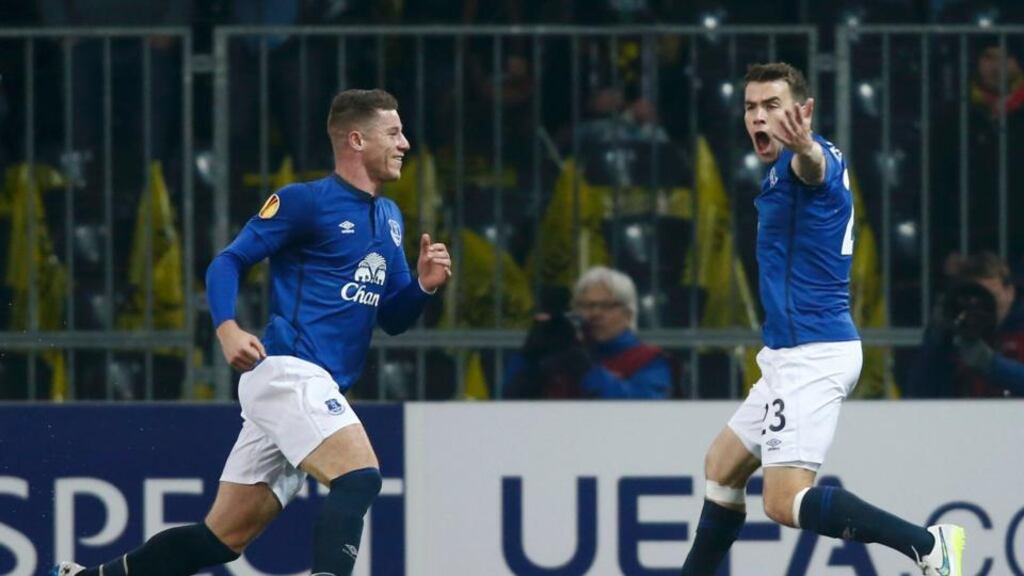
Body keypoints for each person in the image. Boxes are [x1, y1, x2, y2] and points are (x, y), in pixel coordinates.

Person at [52, 89, 451, 576]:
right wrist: (226, 328)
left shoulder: (389, 219)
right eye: (393, 132)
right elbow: (229, 260)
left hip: (311, 387)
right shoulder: (304, 202)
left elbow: (391, 319)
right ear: (355, 139)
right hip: (291, 373)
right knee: (360, 478)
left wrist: (424, 289)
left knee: (220, 540)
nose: (405, 143)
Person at [678, 63, 964, 576]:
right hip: (791, 353)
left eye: (772, 106)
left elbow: (813, 166)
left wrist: (804, 147)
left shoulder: (810, 160)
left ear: (800, 111)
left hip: (813, 353)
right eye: (751, 107)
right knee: (721, 466)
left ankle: (928, 544)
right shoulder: (777, 168)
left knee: (783, 501)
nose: (759, 117)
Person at [505, 266, 673, 399]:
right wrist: (530, 359)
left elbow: (645, 410)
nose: (595, 314)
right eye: (586, 306)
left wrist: (589, 371)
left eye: (607, 306)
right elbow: (507, 405)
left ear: (628, 314)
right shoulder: (561, 355)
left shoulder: (649, 360)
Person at [908, 251, 1024, 398]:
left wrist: (992, 365)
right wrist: (936, 338)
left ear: (1010, 293)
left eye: (992, 296)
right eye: (977, 298)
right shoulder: (952, 333)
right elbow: (918, 393)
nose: (988, 305)